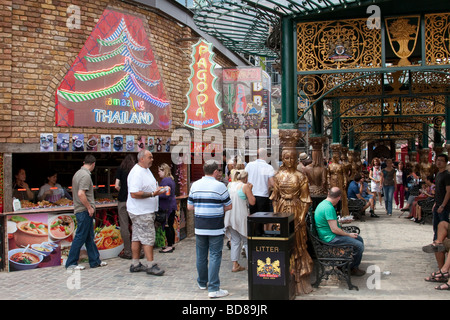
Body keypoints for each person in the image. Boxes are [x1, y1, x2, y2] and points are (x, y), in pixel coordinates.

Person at [271, 147, 313, 295]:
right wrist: (276, 215)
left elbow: (306, 199)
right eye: (286, 158)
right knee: (282, 241)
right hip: (282, 208)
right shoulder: (278, 176)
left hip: (296, 208)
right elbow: (275, 197)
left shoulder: (300, 176)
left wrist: (301, 218)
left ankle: (299, 274)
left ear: (296, 159)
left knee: (297, 241)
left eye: (292, 158)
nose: (289, 161)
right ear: (283, 158)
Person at [188, 160, 232, 298]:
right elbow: (229, 206)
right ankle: (213, 287)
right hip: (215, 226)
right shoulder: (220, 186)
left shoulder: (195, 185)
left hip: (200, 225)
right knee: (214, 255)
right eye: (218, 171)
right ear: (215, 172)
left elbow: (190, 206)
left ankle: (202, 282)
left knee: (201, 255)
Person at [127, 150, 165, 276]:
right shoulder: (137, 172)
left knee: (137, 237)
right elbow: (134, 193)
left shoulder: (146, 170)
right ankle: (150, 264)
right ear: (142, 158)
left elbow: (148, 187)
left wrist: (157, 190)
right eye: (150, 157)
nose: (152, 159)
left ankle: (135, 263)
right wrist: (153, 194)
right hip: (141, 212)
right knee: (148, 237)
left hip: (141, 210)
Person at [66, 155, 107, 270]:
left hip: (81, 210)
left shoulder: (77, 173)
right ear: (93, 164)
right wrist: (89, 207)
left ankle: (95, 261)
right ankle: (71, 263)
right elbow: (80, 193)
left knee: (89, 237)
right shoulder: (85, 176)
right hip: (84, 211)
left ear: (84, 162)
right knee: (80, 237)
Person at [314, 187, 365, 276]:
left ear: (328, 194)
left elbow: (329, 223)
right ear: (339, 197)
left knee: (359, 239)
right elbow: (334, 229)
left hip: (328, 235)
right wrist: (349, 235)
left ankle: (352, 266)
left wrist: (340, 221)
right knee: (359, 245)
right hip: (330, 238)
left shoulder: (323, 204)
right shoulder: (328, 208)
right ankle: (349, 267)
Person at [421, 154, 450, 269]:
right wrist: (435, 203)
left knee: (442, 231)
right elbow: (438, 191)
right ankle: (437, 247)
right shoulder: (438, 174)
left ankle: (441, 250)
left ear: (446, 163)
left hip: (444, 207)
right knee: (436, 229)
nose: (439, 162)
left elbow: (448, 192)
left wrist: (443, 205)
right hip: (437, 205)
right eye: (438, 160)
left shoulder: (447, 175)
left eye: (442, 161)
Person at [224, 169, 255, 272]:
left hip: (230, 216)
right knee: (247, 240)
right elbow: (252, 202)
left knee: (235, 240)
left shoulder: (229, 185)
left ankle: (235, 264)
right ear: (245, 178)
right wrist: (250, 189)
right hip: (241, 216)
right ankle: (251, 265)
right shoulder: (245, 186)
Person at [114, 154, 136, 259]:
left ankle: (127, 251)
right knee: (136, 225)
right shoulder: (135, 170)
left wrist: (122, 191)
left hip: (122, 200)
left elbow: (116, 185)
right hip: (134, 200)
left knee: (124, 225)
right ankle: (138, 250)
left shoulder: (120, 169)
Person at [245, 148, 275, 214]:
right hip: (263, 196)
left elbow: (245, 179)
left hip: (251, 194)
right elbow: (272, 183)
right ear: (265, 155)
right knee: (263, 219)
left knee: (252, 218)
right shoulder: (268, 167)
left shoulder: (249, 165)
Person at [157, 163, 177, 253]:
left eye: (159, 171)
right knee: (171, 226)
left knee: (167, 226)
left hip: (167, 207)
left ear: (164, 171)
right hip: (172, 206)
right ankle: (171, 244)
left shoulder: (165, 181)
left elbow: (164, 195)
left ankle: (169, 246)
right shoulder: (171, 180)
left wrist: (155, 194)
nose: (158, 173)